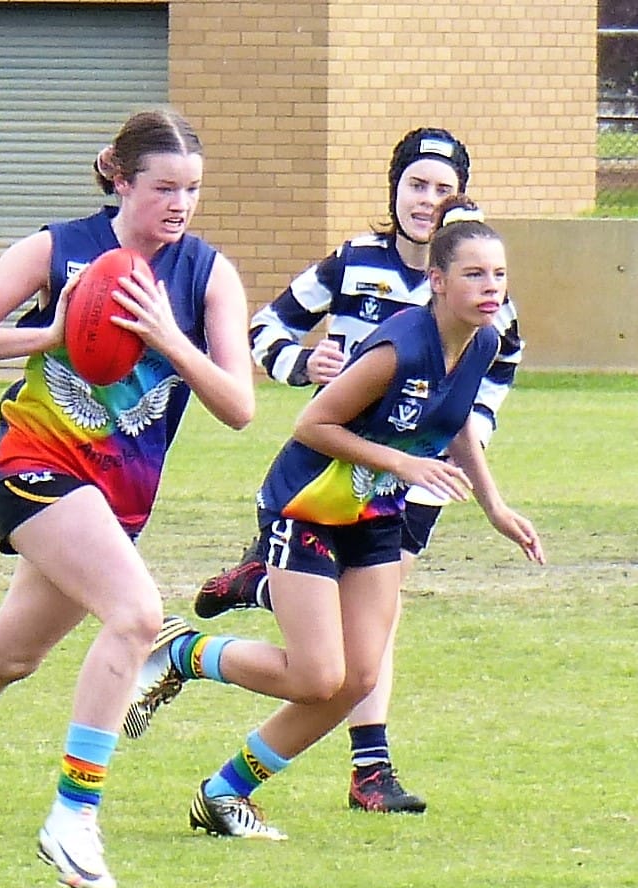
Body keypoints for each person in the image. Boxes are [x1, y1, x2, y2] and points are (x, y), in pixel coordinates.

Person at [0, 109, 256, 888]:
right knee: (138, 615)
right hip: (35, 466)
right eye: (162, 188)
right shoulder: (58, 248)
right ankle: (73, 815)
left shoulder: (207, 274)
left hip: (118, 500)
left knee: (12, 657)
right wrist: (51, 334)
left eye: (191, 190)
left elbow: (238, 405)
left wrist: (168, 340)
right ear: (119, 177)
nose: (178, 205)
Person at [123, 197, 544, 841]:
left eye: (499, 276)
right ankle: (182, 652)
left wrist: (495, 506)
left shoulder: (484, 341)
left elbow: (455, 422)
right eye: (474, 275)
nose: (491, 289)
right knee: (320, 675)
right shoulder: (398, 347)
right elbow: (312, 424)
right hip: (308, 503)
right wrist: (401, 465)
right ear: (437, 281)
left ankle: (223, 794)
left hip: (373, 512)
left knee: (359, 679)